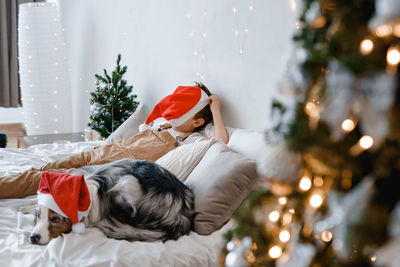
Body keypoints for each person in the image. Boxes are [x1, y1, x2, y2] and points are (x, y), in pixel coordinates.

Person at [0, 82, 229, 198]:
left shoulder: (190, 141)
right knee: (46, 167)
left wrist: (215, 110)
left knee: (41, 179)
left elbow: (220, 143)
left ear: (197, 122)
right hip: (98, 152)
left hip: (103, 169)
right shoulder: (162, 123)